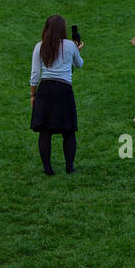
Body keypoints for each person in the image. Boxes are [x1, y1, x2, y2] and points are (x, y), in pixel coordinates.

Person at [30, 16, 84, 175]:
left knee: (45, 131)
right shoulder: (70, 45)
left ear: (46, 28)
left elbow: (35, 74)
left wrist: (33, 95)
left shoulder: (40, 46)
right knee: (68, 130)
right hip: (64, 89)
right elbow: (79, 64)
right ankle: (69, 167)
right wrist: (77, 50)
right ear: (63, 29)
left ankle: (48, 169)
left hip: (45, 89)